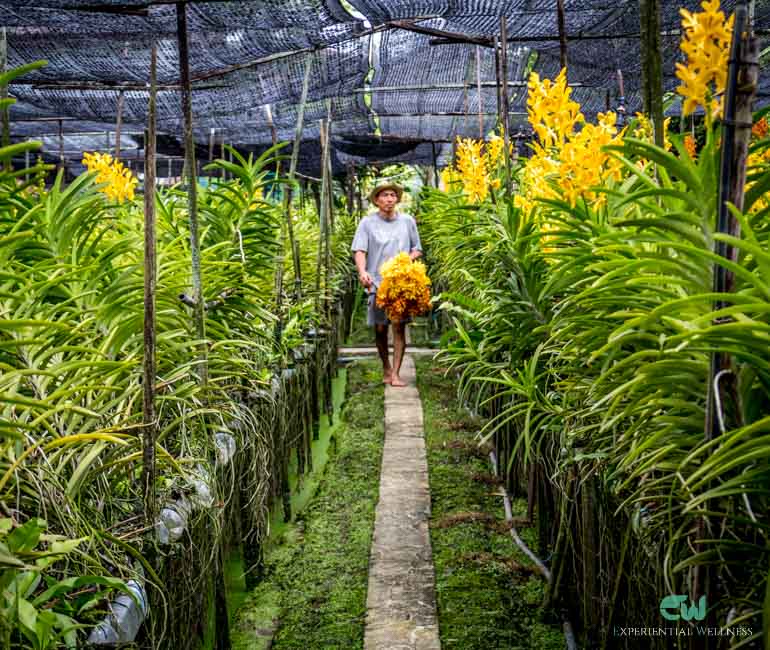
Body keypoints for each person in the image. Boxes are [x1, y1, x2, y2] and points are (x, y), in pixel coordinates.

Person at [351, 182, 422, 387]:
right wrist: (362, 272)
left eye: (392, 195)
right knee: (381, 329)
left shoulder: (407, 221)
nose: (389, 199)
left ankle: (396, 374)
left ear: (397, 199)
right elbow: (360, 251)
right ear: (377, 200)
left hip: (401, 283)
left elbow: (417, 249)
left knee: (398, 328)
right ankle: (386, 367)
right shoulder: (367, 223)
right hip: (377, 283)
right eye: (384, 195)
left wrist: (408, 259)